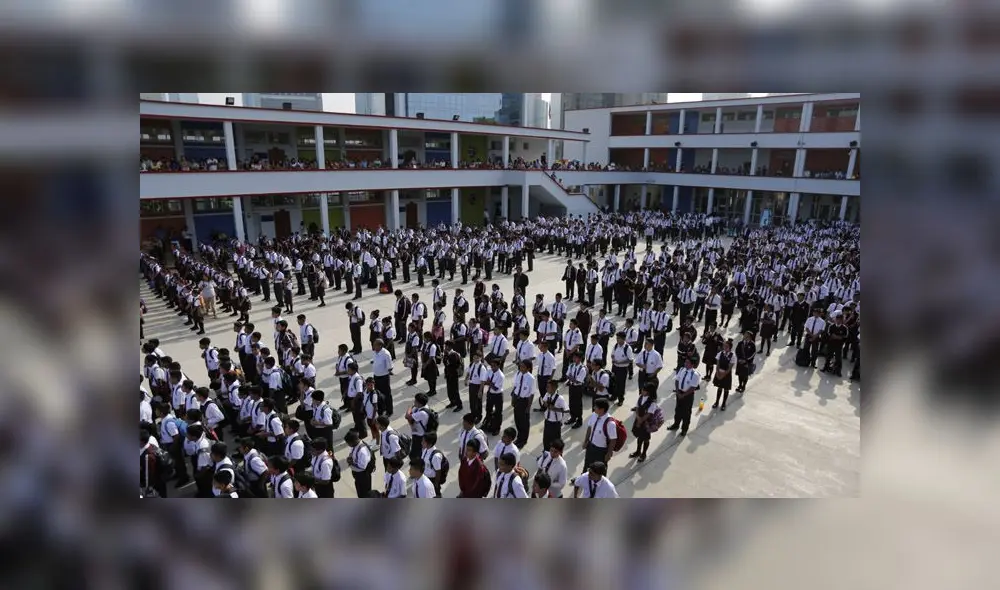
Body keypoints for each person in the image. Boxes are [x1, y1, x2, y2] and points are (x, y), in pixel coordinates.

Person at [667, 357, 701, 436]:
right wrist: (678, 392)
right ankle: (676, 424)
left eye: (688, 363)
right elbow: (677, 380)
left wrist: (683, 395)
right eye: (685, 362)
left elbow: (693, 388)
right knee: (678, 410)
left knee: (686, 413)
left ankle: (684, 429)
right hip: (679, 393)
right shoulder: (682, 369)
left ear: (692, 365)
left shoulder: (695, 375)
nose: (685, 364)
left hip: (688, 395)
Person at [583, 398, 616, 471]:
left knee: (599, 470)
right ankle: (584, 479)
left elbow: (613, 440)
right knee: (587, 465)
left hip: (601, 451)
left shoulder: (610, 423)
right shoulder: (594, 415)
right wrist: (586, 441)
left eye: (596, 407)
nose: (594, 408)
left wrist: (609, 453)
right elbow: (589, 428)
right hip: (590, 446)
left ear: (602, 409)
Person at [630, 385, 659, 462]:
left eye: (644, 390)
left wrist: (640, 420)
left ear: (649, 392)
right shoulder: (641, 397)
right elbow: (637, 408)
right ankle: (638, 451)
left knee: (645, 438)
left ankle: (644, 454)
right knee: (640, 436)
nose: (642, 391)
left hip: (646, 422)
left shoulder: (652, 402)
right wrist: (638, 417)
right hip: (639, 419)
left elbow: (649, 414)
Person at [511, 360, 535, 448]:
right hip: (517, 399)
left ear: (528, 368)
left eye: (523, 367)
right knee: (517, 419)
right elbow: (515, 387)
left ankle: (523, 440)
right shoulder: (518, 374)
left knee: (524, 422)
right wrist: (513, 399)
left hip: (524, 401)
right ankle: (519, 437)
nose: (521, 368)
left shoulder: (531, 378)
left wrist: (528, 407)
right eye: (520, 366)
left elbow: (531, 394)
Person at [345, 429, 373, 498]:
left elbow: (362, 466)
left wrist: (351, 463)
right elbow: (352, 453)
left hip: (363, 475)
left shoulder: (362, 451)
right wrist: (350, 457)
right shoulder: (355, 445)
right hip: (357, 475)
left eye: (348, 443)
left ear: (354, 441)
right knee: (360, 491)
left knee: (364, 493)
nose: (348, 445)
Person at [712, 339, 735, 411]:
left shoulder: (732, 356)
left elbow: (730, 367)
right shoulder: (720, 353)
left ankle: (724, 403)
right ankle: (717, 402)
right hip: (719, 372)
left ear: (730, 347)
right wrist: (718, 373)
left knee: (726, 389)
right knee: (719, 388)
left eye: (726, 346)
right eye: (724, 346)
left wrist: (723, 375)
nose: (724, 347)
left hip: (726, 374)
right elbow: (717, 364)